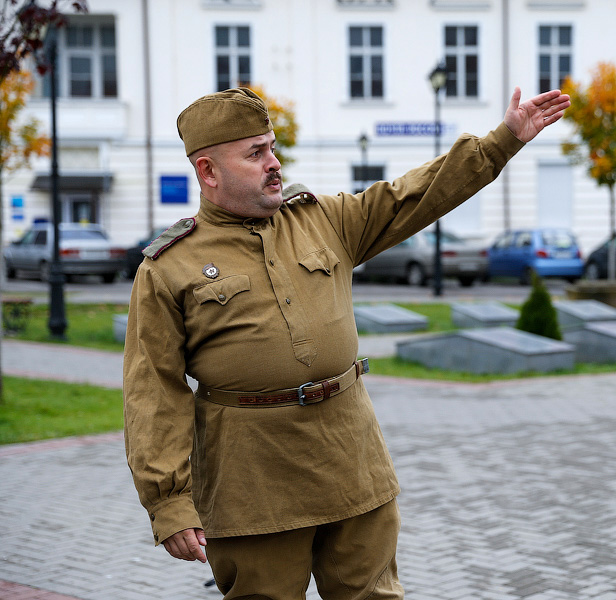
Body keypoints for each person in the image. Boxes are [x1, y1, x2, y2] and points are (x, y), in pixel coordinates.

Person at [123, 85, 569, 599]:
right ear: (208, 171)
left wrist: (503, 140)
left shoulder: (322, 219)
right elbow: (152, 390)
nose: (274, 163)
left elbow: (413, 195)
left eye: (272, 148)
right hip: (252, 482)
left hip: (351, 461)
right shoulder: (169, 266)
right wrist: (168, 500)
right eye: (256, 153)